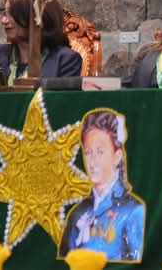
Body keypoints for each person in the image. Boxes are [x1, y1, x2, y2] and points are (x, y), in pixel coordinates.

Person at [59, 110, 145, 262]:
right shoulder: (78, 213)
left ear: (117, 156)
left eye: (100, 152)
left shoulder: (133, 211)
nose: (92, 162)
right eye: (88, 152)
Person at [0, 0, 82, 86]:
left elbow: (58, 99)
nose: (4, 21)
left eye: (12, 13)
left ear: (37, 18)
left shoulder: (65, 59)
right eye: (5, 13)